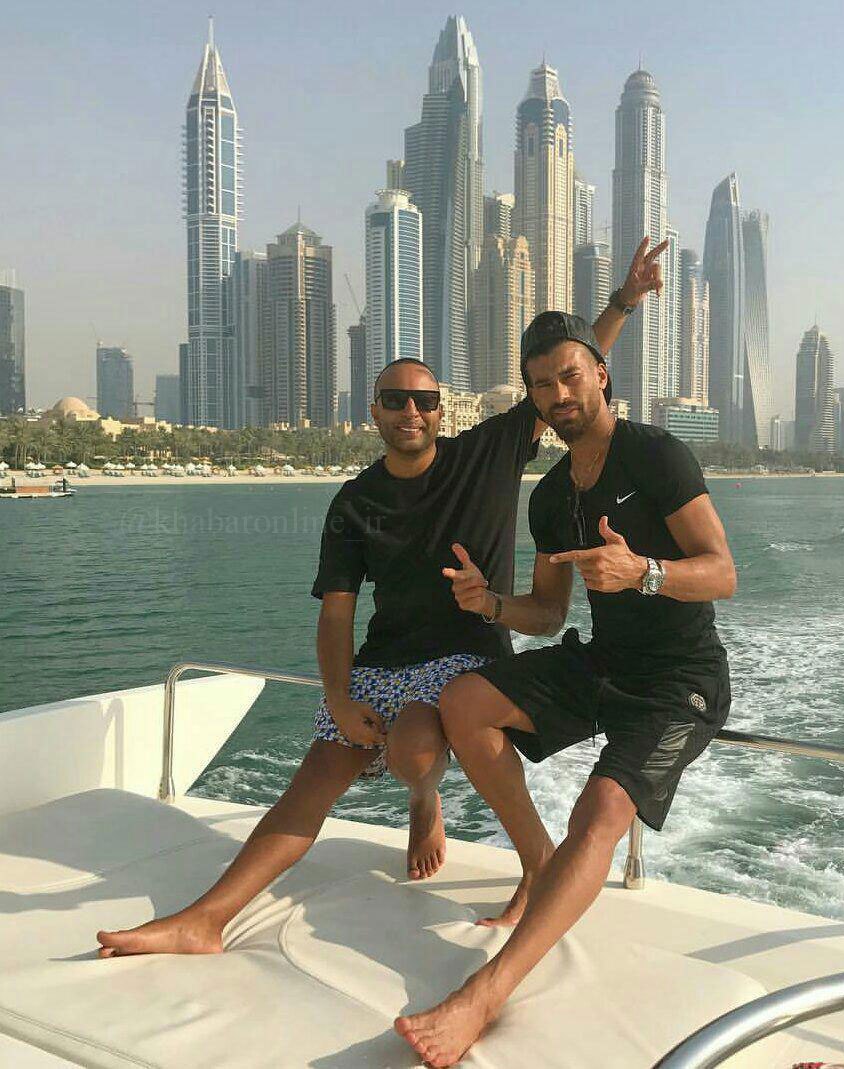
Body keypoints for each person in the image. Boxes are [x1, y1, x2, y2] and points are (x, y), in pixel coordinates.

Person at [95, 240, 666, 959]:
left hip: (465, 656)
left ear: (440, 411)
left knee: (414, 749)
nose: (410, 411)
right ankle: (205, 919)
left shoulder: (487, 453)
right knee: (313, 781)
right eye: (395, 400)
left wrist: (623, 302)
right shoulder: (354, 502)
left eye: (424, 400)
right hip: (384, 661)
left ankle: (449, 813)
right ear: (375, 412)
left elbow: (567, 375)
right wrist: (338, 695)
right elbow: (336, 612)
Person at [396, 310, 737, 1067]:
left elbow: (723, 571)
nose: (558, 393)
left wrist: (644, 572)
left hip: (679, 679)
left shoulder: (655, 455)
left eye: (570, 375)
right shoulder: (550, 497)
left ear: (601, 375)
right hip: (603, 663)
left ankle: (486, 993)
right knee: (464, 702)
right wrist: (489, 603)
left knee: (601, 808)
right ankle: (538, 863)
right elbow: (548, 615)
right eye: (542, 384)